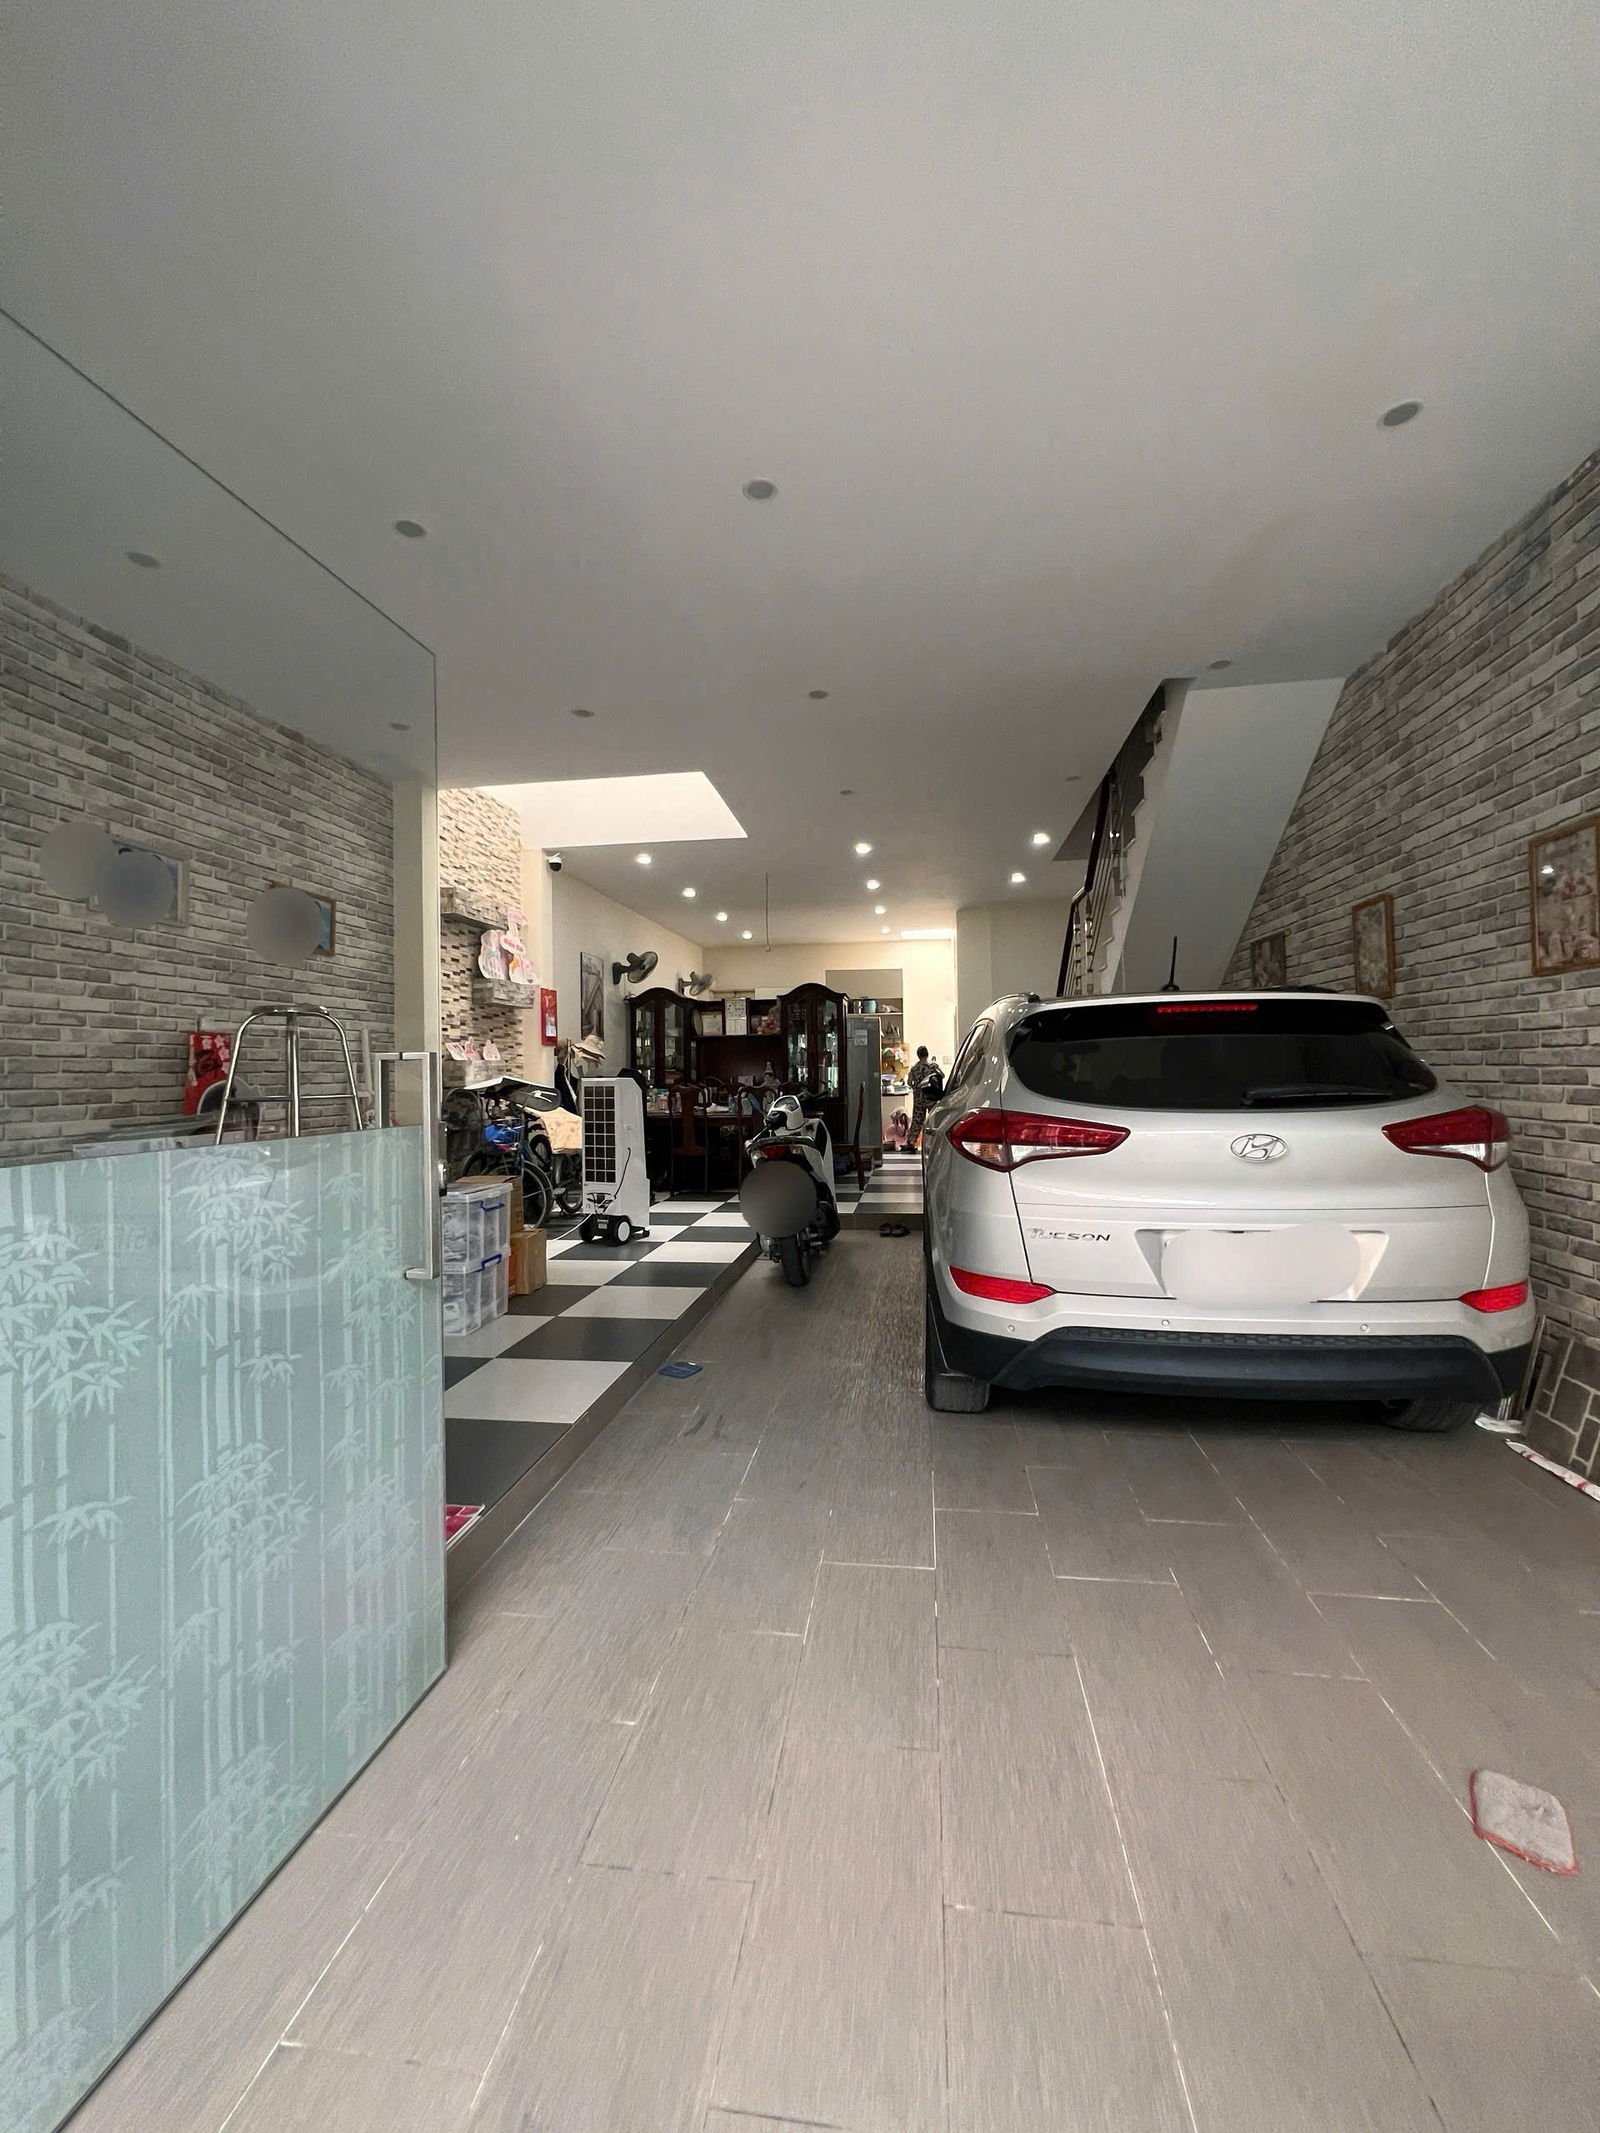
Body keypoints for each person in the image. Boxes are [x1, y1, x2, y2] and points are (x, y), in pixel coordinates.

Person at [906, 1046, 943, 1152]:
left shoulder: (914, 1068)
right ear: (927, 1054)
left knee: (917, 1120)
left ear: (918, 1055)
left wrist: (916, 1086)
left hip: (919, 1098)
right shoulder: (933, 1066)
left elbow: (909, 1082)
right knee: (933, 1120)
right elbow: (942, 1076)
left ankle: (911, 1142)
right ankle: (935, 1143)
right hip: (931, 1097)